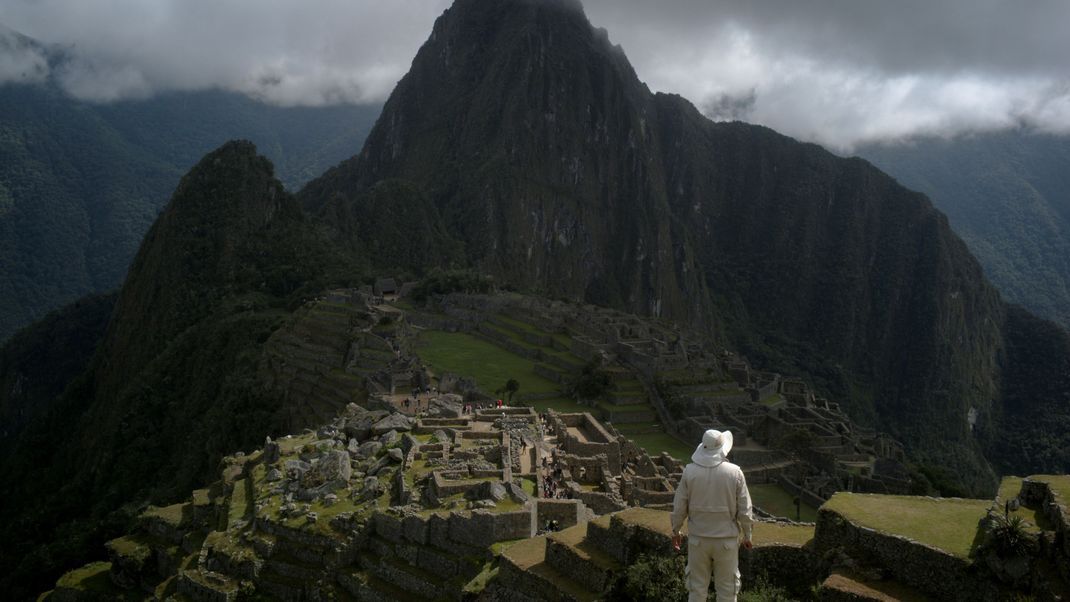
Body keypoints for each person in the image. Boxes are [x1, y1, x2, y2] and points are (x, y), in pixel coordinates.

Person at [671, 429, 754, 602]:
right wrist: (748, 535)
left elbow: (679, 506)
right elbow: (745, 509)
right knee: (727, 592)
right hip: (726, 542)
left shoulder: (690, 472)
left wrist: (676, 530)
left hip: (698, 541)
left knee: (697, 590)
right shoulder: (735, 472)